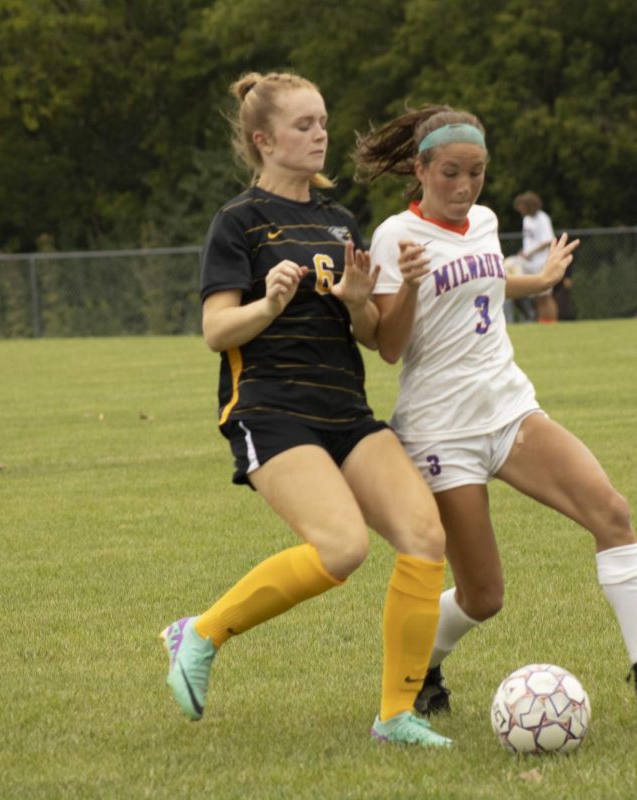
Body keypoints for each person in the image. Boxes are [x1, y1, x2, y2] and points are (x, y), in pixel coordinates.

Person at [354, 105, 637, 720]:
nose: (465, 186)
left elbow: (484, 278)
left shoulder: (485, 220)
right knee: (484, 595)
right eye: (450, 172)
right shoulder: (396, 237)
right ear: (420, 169)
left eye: (476, 172)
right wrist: (410, 285)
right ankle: (423, 668)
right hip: (442, 432)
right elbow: (389, 347)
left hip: (510, 409)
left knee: (611, 510)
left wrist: (539, 278)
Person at [159, 72, 452, 748]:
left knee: (424, 539)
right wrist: (268, 304)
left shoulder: (339, 221)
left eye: (322, 122)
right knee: (343, 547)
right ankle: (199, 633)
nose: (320, 134)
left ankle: (395, 716)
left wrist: (370, 296)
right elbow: (216, 332)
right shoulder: (238, 223)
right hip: (269, 409)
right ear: (264, 140)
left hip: (345, 409)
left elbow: (380, 342)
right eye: (304, 126)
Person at [512, 191, 557, 322]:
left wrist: (530, 253)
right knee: (536, 295)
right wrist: (523, 251)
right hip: (529, 262)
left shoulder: (542, 218)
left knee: (545, 295)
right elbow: (529, 241)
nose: (520, 209)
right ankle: (542, 321)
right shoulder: (526, 220)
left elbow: (548, 240)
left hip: (541, 262)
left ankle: (552, 322)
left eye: (522, 206)